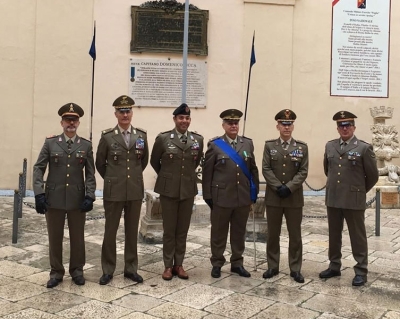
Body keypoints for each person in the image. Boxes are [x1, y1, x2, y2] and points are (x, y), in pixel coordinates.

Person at [33, 103, 96, 288]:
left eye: (74, 119)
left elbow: (90, 173)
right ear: (61, 122)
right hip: (54, 199)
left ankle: (77, 271)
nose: (71, 122)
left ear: (78, 122)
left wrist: (90, 195)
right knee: (55, 237)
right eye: (67, 119)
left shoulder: (85, 145)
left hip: (77, 199)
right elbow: (39, 168)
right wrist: (39, 193)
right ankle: (56, 272)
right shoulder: (50, 143)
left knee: (78, 237)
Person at [319, 111, 379, 286]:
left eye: (347, 125)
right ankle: (334, 265)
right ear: (337, 128)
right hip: (334, 198)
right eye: (341, 126)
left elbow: (372, 176)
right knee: (334, 235)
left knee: (357, 236)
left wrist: (358, 190)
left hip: (353, 199)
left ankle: (361, 270)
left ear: (354, 127)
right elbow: (327, 170)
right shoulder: (330, 146)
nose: (344, 129)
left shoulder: (364, 148)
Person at [96, 95, 148, 285]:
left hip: (134, 190)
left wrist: (130, 178)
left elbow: (143, 161)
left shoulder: (141, 136)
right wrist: (114, 179)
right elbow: (100, 163)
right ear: (116, 114)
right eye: (121, 111)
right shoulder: (108, 136)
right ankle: (108, 269)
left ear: (132, 113)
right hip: (114, 191)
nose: (125, 115)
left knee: (132, 231)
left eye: (128, 111)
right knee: (110, 231)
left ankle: (131, 268)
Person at [202, 109, 259, 278]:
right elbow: (207, 173)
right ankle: (217, 262)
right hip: (221, 197)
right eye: (230, 123)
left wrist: (253, 192)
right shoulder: (215, 145)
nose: (233, 126)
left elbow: (252, 169)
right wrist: (208, 195)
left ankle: (237, 263)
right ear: (223, 125)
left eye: (236, 123)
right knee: (219, 232)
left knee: (239, 232)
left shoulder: (247, 144)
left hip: (242, 196)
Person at [150, 103, 204, 280]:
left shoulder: (197, 140)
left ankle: (179, 264)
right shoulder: (164, 139)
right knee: (169, 230)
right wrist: (168, 176)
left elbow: (194, 164)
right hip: (169, 190)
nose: (184, 121)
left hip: (188, 190)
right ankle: (167, 266)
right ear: (175, 119)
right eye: (181, 118)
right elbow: (154, 161)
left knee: (182, 230)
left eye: (187, 118)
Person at [262, 109, 308, 283]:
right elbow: (266, 168)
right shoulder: (269, 146)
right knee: (273, 234)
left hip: (293, 198)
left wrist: (288, 188)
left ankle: (295, 268)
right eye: (283, 124)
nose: (286, 127)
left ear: (293, 126)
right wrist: (277, 186)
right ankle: (272, 266)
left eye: (289, 124)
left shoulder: (302, 147)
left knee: (295, 235)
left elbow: (303, 171)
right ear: (278, 126)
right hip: (274, 197)